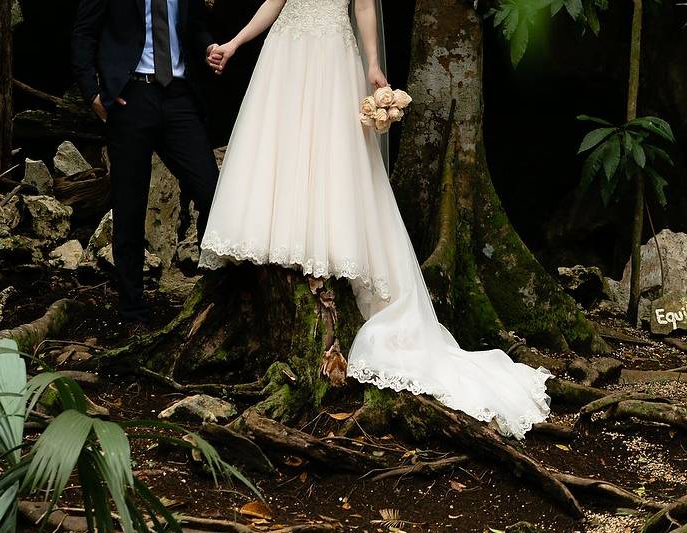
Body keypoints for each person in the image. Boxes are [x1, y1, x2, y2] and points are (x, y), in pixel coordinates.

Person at [200, 0, 552, 439]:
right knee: (282, 144)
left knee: (331, 153)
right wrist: (234, 44)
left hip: (331, 52)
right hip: (286, 49)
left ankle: (325, 244)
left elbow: (364, 5)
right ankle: (282, 237)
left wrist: (372, 64)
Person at [72, 0, 221, 332]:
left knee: (212, 191)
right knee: (129, 206)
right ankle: (132, 311)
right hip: (131, 97)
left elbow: (193, 25)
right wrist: (93, 94)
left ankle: (213, 295)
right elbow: (84, 33)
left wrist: (208, 45)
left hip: (179, 97)